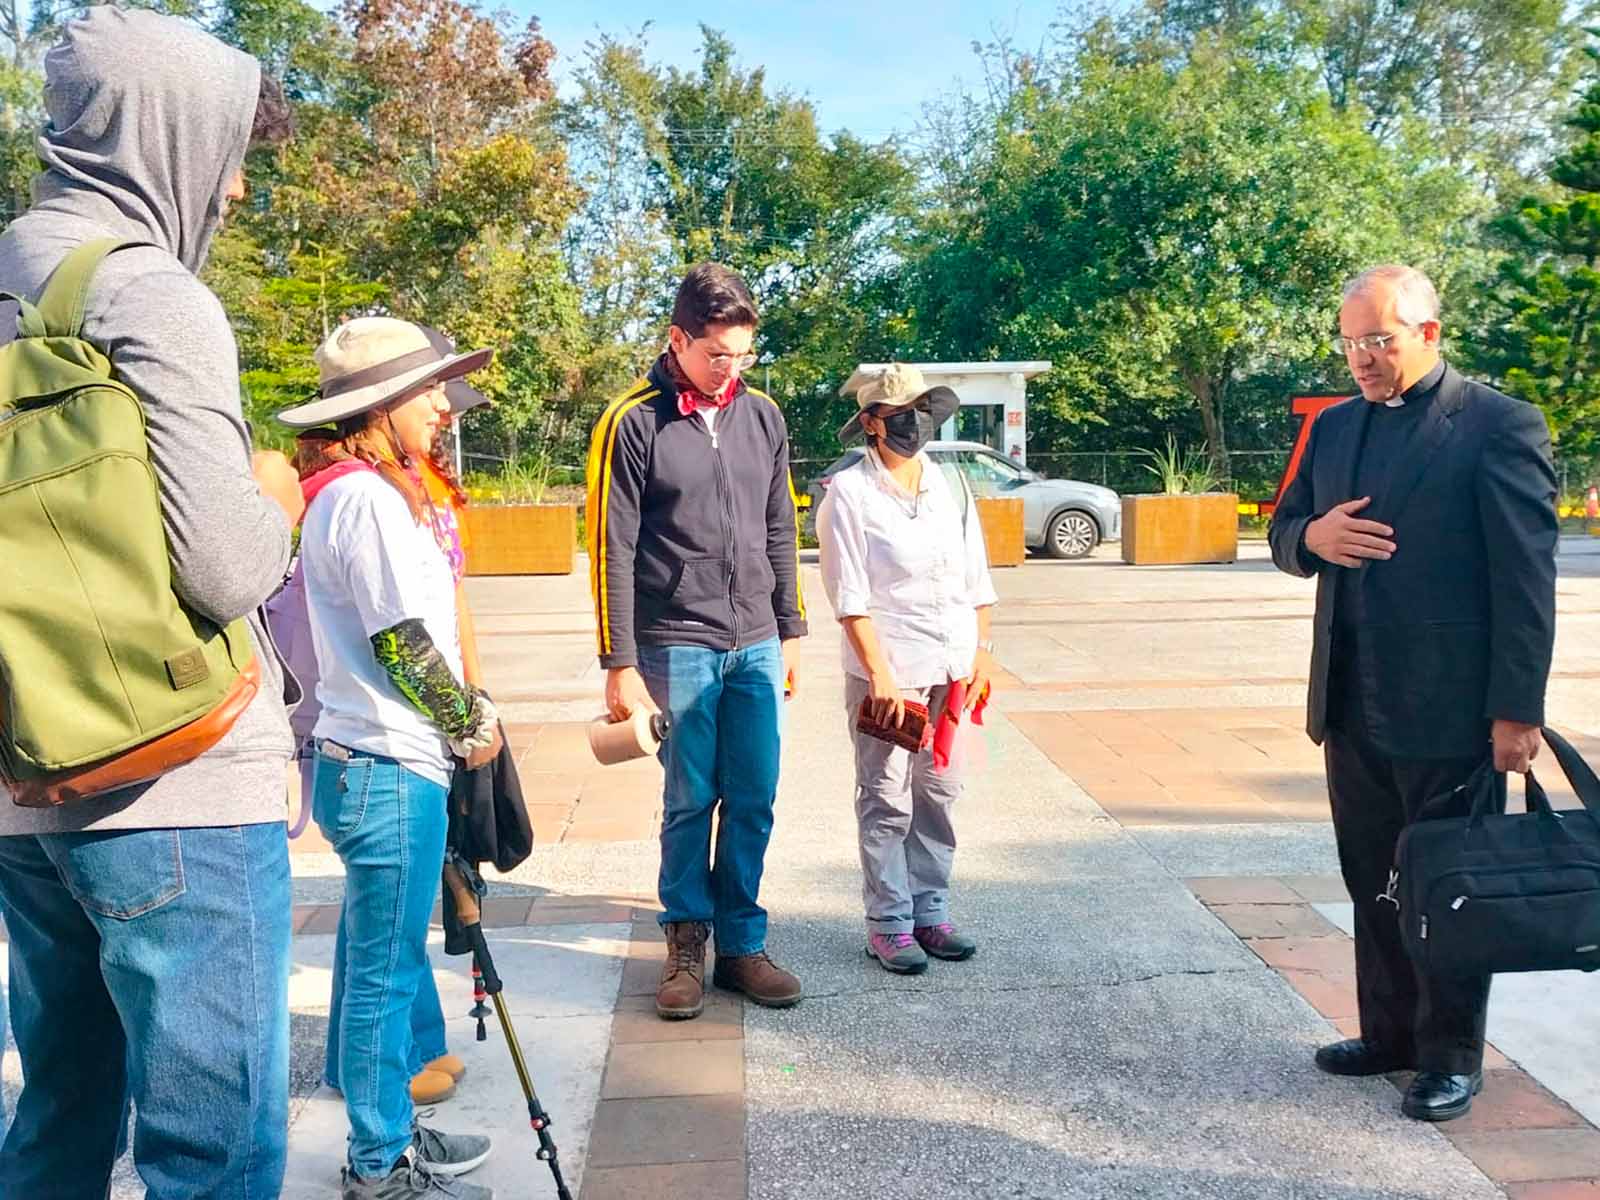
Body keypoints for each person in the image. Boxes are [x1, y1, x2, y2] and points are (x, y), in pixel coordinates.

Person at [0, 11, 306, 1195]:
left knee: (60, 1120)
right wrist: (273, 493)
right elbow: (228, 567)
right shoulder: (151, 295)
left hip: (31, 792)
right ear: (163, 135)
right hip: (178, 787)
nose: (229, 190)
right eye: (225, 151)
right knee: (212, 1154)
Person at [1269, 264, 1557, 1122]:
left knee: (1451, 889)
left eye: (1378, 341)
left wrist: (1517, 710)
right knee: (1374, 879)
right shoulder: (1334, 429)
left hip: (1451, 711)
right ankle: (1388, 1034)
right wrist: (1312, 537)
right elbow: (1285, 533)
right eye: (1350, 341)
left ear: (1428, 332)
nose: (1360, 357)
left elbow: (1525, 580)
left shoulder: (1498, 426)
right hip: (1353, 703)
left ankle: (1450, 1057)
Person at [278, 317, 503, 1198]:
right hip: (385, 765)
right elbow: (404, 642)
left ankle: (394, 1132)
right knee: (381, 975)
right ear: (383, 405)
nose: (446, 404)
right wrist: (469, 722)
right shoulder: (365, 501)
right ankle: (379, 1164)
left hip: (369, 761)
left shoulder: (358, 490)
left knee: (383, 962)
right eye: (431, 390)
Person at [586, 262, 808, 1020]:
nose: (731, 370)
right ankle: (685, 940)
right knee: (690, 796)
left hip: (755, 640)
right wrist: (619, 662)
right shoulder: (634, 420)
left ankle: (741, 943)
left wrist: (792, 628)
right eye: (718, 355)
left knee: (754, 795)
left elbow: (782, 527)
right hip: (676, 639)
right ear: (677, 340)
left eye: (745, 356)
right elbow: (611, 545)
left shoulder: (765, 417)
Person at [818, 364, 998, 974]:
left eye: (924, 413)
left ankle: (931, 911)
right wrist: (881, 676)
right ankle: (889, 921)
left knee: (940, 791)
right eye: (900, 416)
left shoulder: (949, 483)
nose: (914, 426)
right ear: (871, 422)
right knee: (888, 798)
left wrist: (980, 652)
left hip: (952, 667)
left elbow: (977, 577)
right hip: (891, 674)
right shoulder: (849, 493)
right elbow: (850, 598)